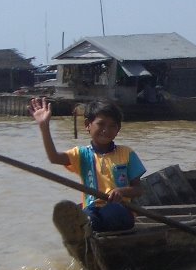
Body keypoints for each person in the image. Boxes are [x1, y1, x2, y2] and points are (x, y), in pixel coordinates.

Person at [29, 97, 146, 232]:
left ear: (118, 129)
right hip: (92, 209)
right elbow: (54, 157)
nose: (106, 130)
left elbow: (138, 189)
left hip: (121, 211)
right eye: (101, 124)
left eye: (112, 126)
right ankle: (88, 229)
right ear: (87, 125)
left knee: (113, 211)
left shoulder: (126, 153)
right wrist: (44, 127)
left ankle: (89, 229)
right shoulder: (82, 154)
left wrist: (121, 191)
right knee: (88, 217)